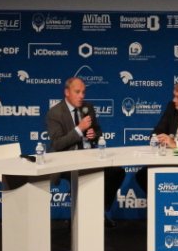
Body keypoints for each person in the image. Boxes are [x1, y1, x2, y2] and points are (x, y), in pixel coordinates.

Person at [46, 76, 127, 223]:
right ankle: (78, 217)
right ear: (67, 92)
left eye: (83, 92)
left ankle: (99, 210)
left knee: (117, 172)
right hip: (66, 161)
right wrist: (79, 130)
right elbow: (57, 144)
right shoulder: (55, 113)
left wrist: (93, 135)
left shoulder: (87, 108)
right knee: (85, 177)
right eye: (77, 92)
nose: (81, 96)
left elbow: (98, 132)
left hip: (90, 157)